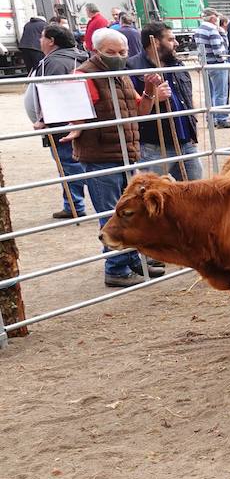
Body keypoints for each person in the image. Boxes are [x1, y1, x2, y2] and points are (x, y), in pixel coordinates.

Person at [64, 26, 168, 286]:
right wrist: (70, 124)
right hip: (101, 154)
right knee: (111, 213)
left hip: (125, 153)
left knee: (128, 210)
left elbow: (140, 110)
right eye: (112, 52)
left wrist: (148, 88)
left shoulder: (121, 75)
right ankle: (116, 267)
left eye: (123, 51)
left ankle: (132, 259)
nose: (119, 56)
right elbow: (74, 113)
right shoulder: (84, 75)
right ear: (95, 50)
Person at [25, 23, 89, 219]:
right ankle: (72, 203)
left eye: (43, 37)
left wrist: (43, 119)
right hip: (74, 119)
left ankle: (74, 205)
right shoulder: (79, 56)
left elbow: (52, 93)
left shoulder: (54, 62)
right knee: (74, 163)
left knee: (70, 165)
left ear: (51, 41)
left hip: (61, 123)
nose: (40, 40)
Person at [129, 21, 202, 181]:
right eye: (170, 39)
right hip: (154, 145)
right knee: (151, 194)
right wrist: (154, 98)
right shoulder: (132, 68)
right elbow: (132, 111)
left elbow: (187, 99)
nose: (176, 43)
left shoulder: (177, 64)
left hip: (186, 142)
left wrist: (191, 128)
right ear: (155, 42)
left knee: (196, 194)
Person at [193, 8, 230, 128]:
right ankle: (222, 118)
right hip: (217, 64)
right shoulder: (213, 31)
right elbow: (219, 51)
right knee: (221, 93)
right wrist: (223, 34)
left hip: (207, 64)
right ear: (213, 18)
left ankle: (211, 117)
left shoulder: (198, 30)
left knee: (210, 92)